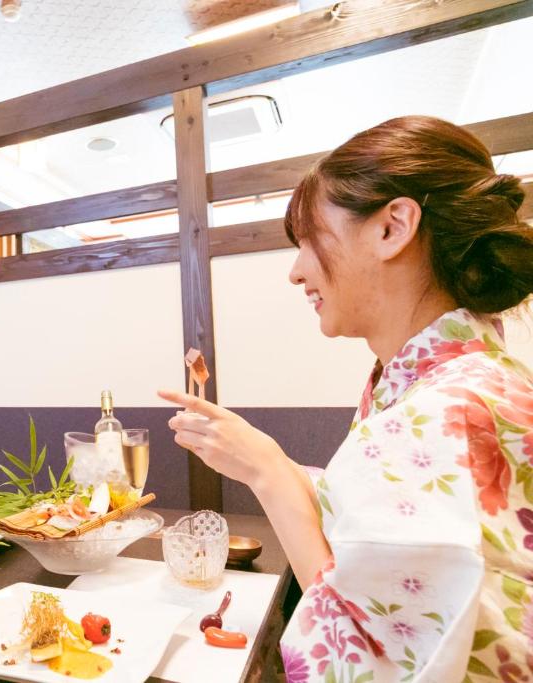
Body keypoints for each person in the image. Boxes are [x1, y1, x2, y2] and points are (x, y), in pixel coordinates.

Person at [161, 116, 533, 681]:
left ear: (394, 227)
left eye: (309, 241)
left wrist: (268, 474)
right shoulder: (453, 382)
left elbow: (355, 660)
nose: (295, 271)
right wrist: (261, 454)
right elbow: (371, 531)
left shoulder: (443, 413)